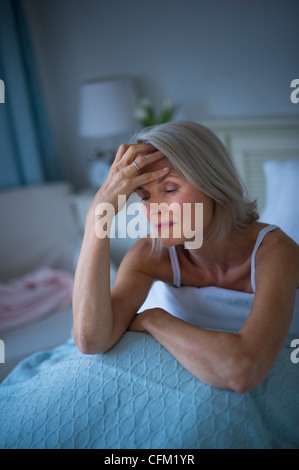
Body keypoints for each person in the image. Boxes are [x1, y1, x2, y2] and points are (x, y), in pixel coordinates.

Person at [72, 121, 299, 393]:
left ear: (213, 184)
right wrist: (98, 213)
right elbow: (91, 340)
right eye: (144, 196)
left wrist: (152, 319)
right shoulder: (150, 254)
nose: (154, 208)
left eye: (169, 189)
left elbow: (243, 371)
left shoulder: (277, 253)